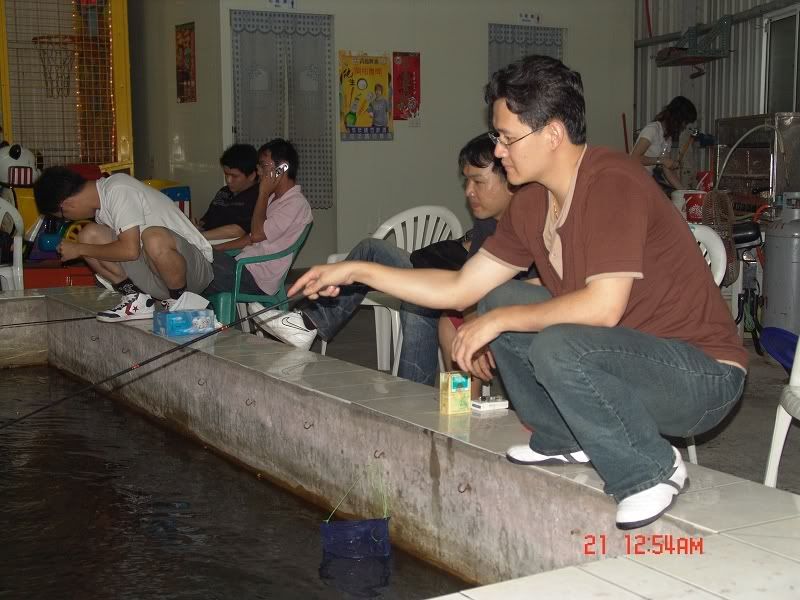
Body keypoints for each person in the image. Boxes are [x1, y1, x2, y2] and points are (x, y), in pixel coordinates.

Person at [289, 55, 746, 531]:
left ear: (552, 134)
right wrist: (357, 271)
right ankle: (563, 436)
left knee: (550, 340)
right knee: (499, 298)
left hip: (700, 376)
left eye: (507, 138)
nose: (498, 150)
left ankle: (651, 469)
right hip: (623, 359)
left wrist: (498, 322)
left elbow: (603, 307)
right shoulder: (531, 201)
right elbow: (462, 287)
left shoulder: (613, 182)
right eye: (497, 136)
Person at [257, 133, 525, 387]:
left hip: (476, 296)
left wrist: (478, 321)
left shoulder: (528, 219)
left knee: (422, 306)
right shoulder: (487, 222)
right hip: (447, 278)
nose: (468, 191)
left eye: (478, 181)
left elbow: (473, 292)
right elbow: (468, 287)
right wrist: (354, 271)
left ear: (510, 176)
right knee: (371, 248)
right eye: (466, 182)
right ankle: (308, 324)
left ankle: (411, 393)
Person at [33, 168, 213, 322]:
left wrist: (79, 250)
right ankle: (138, 300)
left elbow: (130, 251)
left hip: (193, 272)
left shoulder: (118, 188)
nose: (70, 219)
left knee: (153, 237)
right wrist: (82, 247)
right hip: (156, 274)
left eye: (64, 217)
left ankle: (181, 303)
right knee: (89, 236)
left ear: (66, 205)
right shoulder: (102, 212)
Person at [203, 138, 312, 298]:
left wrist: (263, 192)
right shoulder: (274, 198)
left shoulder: (295, 204)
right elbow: (249, 238)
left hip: (257, 279)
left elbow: (257, 234)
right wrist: (216, 248)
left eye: (263, 165)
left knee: (193, 267)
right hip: (243, 266)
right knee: (196, 257)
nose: (259, 172)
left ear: (282, 168)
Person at [195, 143, 260, 250]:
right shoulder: (224, 191)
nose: (228, 180)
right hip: (205, 241)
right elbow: (206, 220)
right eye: (226, 174)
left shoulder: (257, 196)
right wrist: (196, 226)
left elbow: (238, 231)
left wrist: (197, 236)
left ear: (252, 175)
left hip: (227, 249)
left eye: (234, 176)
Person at [631, 96, 697, 192]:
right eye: (685, 122)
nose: (684, 126)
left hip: (644, 180)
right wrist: (661, 160)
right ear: (678, 118)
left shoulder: (667, 138)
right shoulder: (652, 130)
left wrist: (684, 192)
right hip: (633, 180)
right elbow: (634, 158)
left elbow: (667, 170)